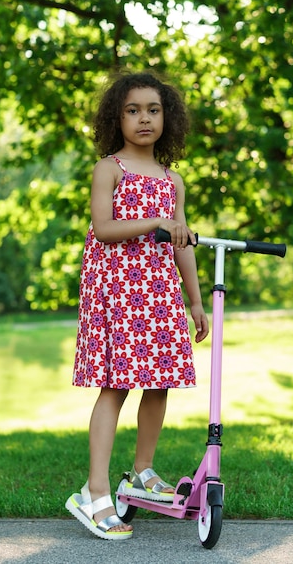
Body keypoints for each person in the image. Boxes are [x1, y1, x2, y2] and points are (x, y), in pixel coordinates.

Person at [65, 71, 209, 540]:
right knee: (114, 387)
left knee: (160, 383)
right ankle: (95, 491)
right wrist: (157, 223)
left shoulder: (173, 180)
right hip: (119, 291)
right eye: (132, 110)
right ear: (117, 117)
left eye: (153, 109)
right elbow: (104, 228)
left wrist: (195, 301)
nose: (144, 118)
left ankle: (143, 471)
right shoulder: (110, 168)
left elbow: (181, 242)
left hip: (159, 292)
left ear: (168, 117)